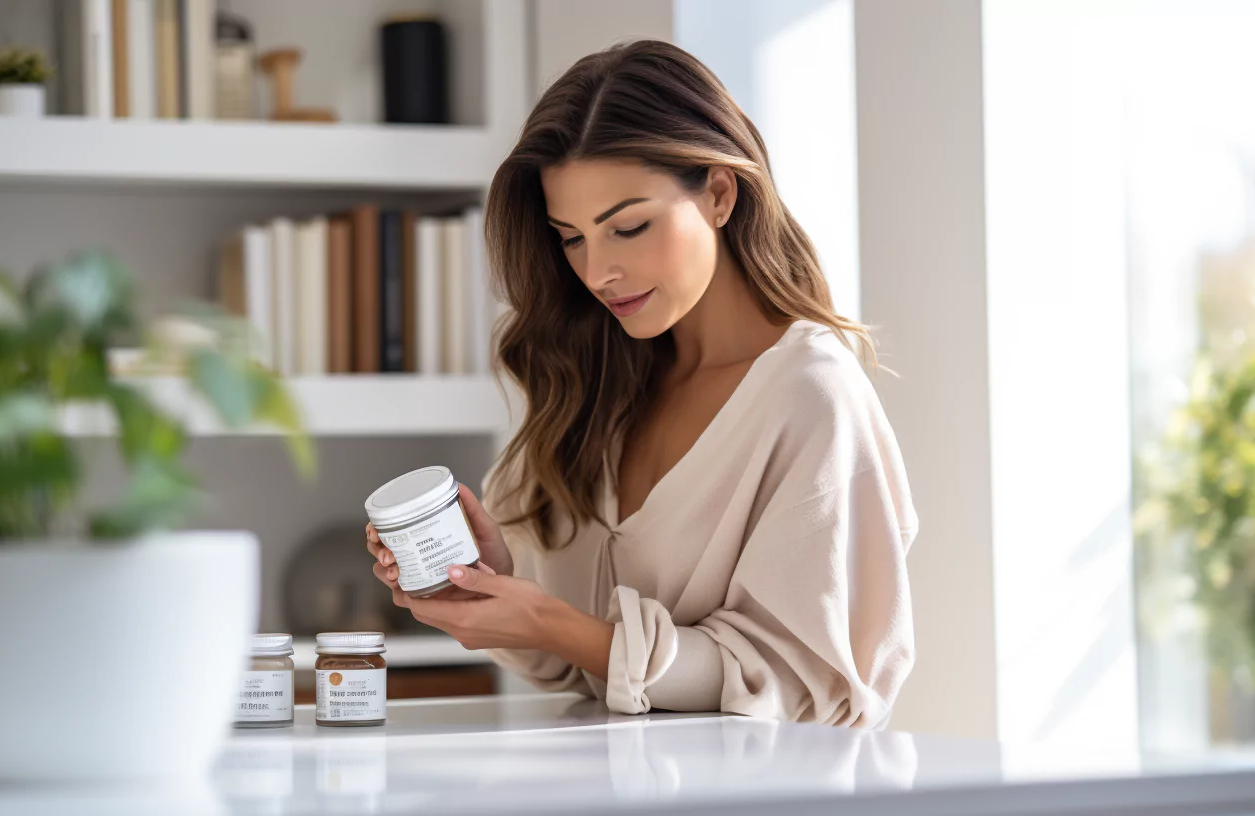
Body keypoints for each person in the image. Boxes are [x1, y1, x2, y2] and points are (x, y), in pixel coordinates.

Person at [365, 39, 917, 727]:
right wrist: (497, 589)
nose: (597, 273)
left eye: (627, 227)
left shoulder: (810, 396)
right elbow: (578, 669)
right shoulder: (600, 378)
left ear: (719, 192)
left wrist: (553, 623)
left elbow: (809, 690)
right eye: (571, 238)